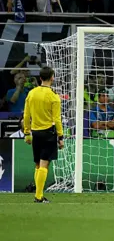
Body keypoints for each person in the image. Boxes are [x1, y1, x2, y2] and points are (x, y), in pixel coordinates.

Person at [23, 67, 63, 203]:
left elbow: (26, 115)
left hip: (35, 132)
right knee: (44, 164)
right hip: (48, 132)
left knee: (37, 165)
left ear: (40, 78)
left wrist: (27, 132)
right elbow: (57, 119)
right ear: (52, 77)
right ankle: (38, 196)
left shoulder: (31, 93)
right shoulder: (54, 96)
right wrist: (61, 136)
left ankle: (38, 194)